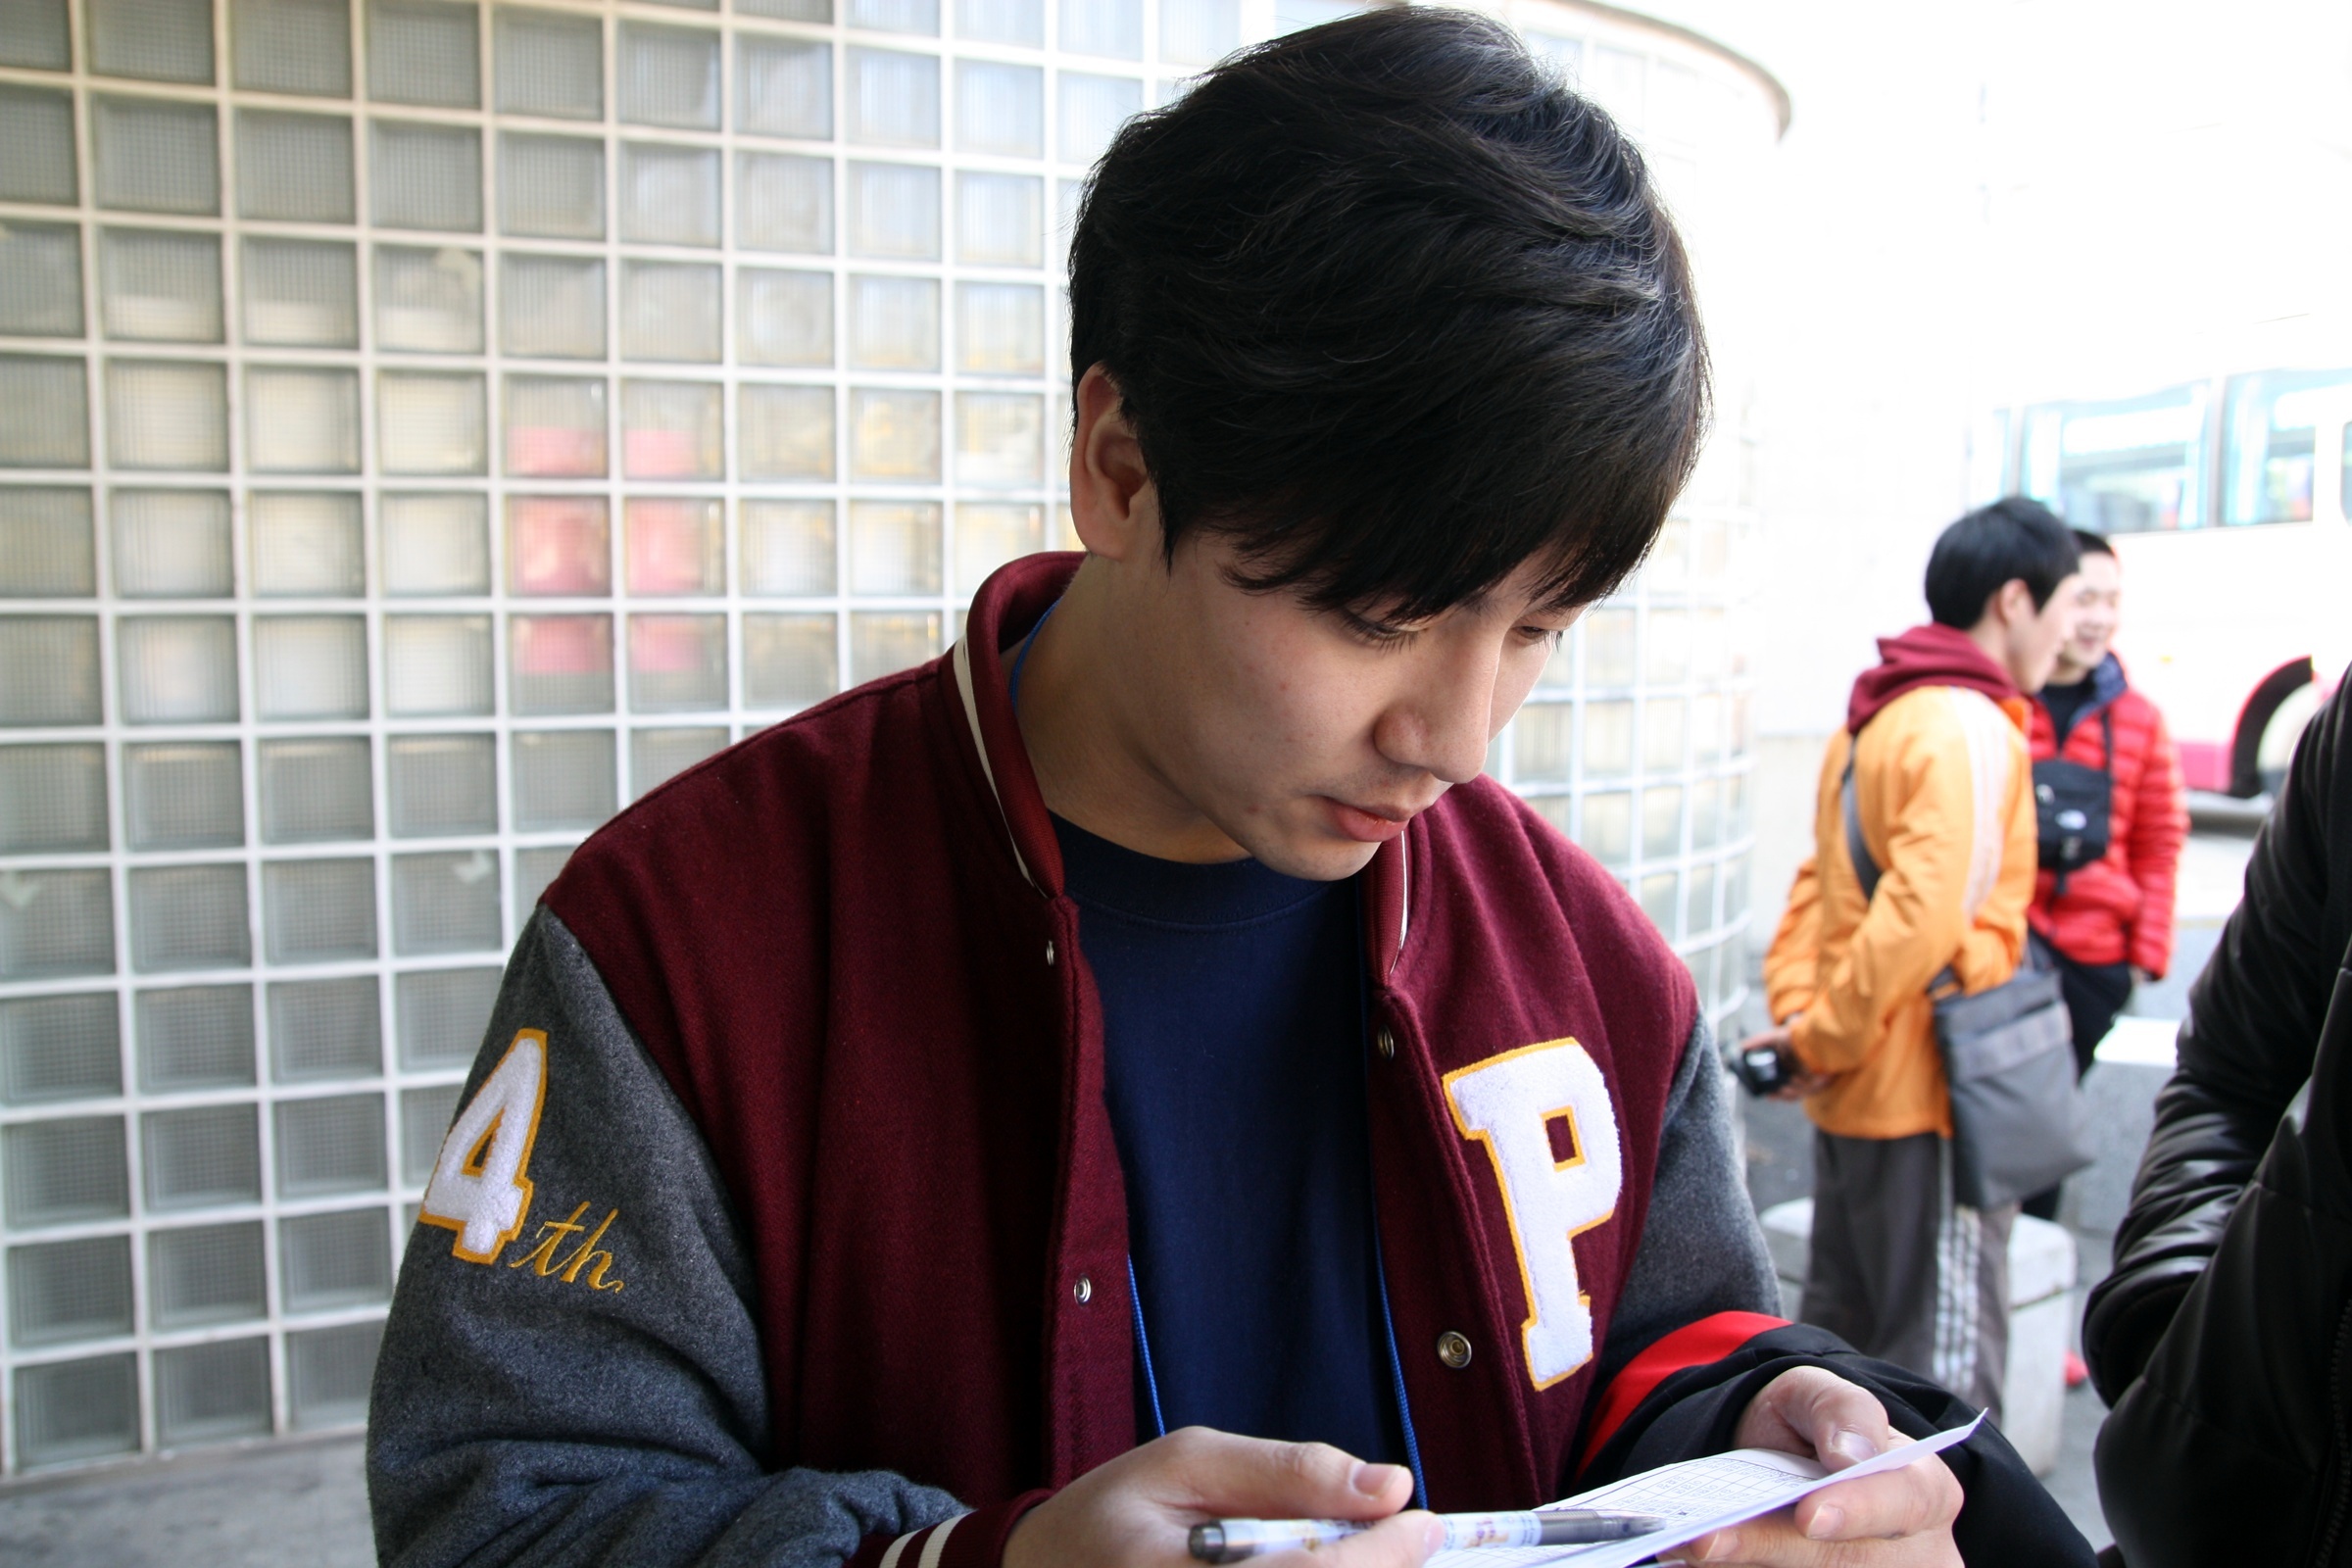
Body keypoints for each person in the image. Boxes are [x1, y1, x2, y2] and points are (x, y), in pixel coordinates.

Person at [368, 15, 2088, 1568]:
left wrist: (1752, 1436)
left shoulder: (1578, 957)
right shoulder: (689, 946)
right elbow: (499, 1507)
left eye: (1539, 628)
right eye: (1378, 614)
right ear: (1123, 469)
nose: (1460, 737)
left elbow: (1660, 1349)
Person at [1748, 499, 2081, 1424]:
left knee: (1841, 1359)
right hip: (1933, 1097)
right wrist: (1823, 1039)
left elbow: (1819, 885)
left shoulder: (1874, 715)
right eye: (2067, 606)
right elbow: (1925, 916)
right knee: (1943, 1380)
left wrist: (1805, 1026)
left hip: (1857, 1090)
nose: (2070, 635)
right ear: (2014, 600)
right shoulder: (1972, 724)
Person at [2084, 673, 2352, 1567]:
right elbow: (2230, 1078)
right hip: (2219, 1528)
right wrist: (2175, 1326)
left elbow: (2155, 834)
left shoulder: (2124, 720)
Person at [2017, 531, 2186, 1226]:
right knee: (2007, 1119)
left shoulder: (2139, 718)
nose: (2098, 618)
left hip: (2094, 962)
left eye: (2111, 602)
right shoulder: (2003, 702)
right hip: (2011, 954)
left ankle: (2033, 1249)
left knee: (2047, 1124)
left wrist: (2144, 954)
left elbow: (2160, 838)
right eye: (2084, 598)